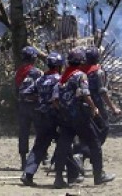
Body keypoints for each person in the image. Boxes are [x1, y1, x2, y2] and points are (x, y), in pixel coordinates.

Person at [52, 47, 114, 188]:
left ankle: (59, 178)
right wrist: (94, 108)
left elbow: (55, 99)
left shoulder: (63, 77)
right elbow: (86, 94)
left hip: (65, 117)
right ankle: (99, 176)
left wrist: (62, 110)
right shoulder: (80, 75)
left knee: (63, 146)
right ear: (81, 62)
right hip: (80, 117)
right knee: (95, 143)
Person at [21, 52, 81, 186]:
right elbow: (59, 99)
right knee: (64, 146)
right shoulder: (60, 80)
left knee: (39, 146)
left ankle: (28, 173)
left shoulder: (40, 79)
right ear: (59, 66)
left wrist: (40, 99)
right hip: (56, 117)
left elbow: (26, 93)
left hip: (42, 117)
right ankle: (71, 174)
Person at [15, 46, 43, 169]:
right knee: (41, 131)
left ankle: (23, 161)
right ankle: (41, 157)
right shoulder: (37, 72)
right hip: (36, 105)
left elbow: (15, 89)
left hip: (22, 105)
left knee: (23, 132)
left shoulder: (18, 72)